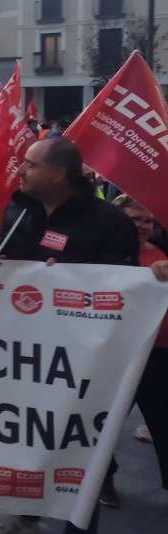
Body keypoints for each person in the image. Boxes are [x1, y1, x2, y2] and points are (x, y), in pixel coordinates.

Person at [0, 137, 138, 534]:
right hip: (23, 351)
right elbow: (7, 263)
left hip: (84, 355)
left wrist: (69, 281)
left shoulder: (108, 222)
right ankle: (26, 518)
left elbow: (122, 288)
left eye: (30, 164)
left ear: (59, 174)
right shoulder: (18, 211)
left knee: (81, 445)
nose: (21, 169)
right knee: (24, 435)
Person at [110, 195, 168, 500]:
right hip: (119, 355)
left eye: (148, 220)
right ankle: (102, 481)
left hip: (158, 353)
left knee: (163, 421)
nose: (144, 226)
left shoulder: (161, 252)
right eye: (136, 219)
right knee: (104, 423)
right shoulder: (105, 254)